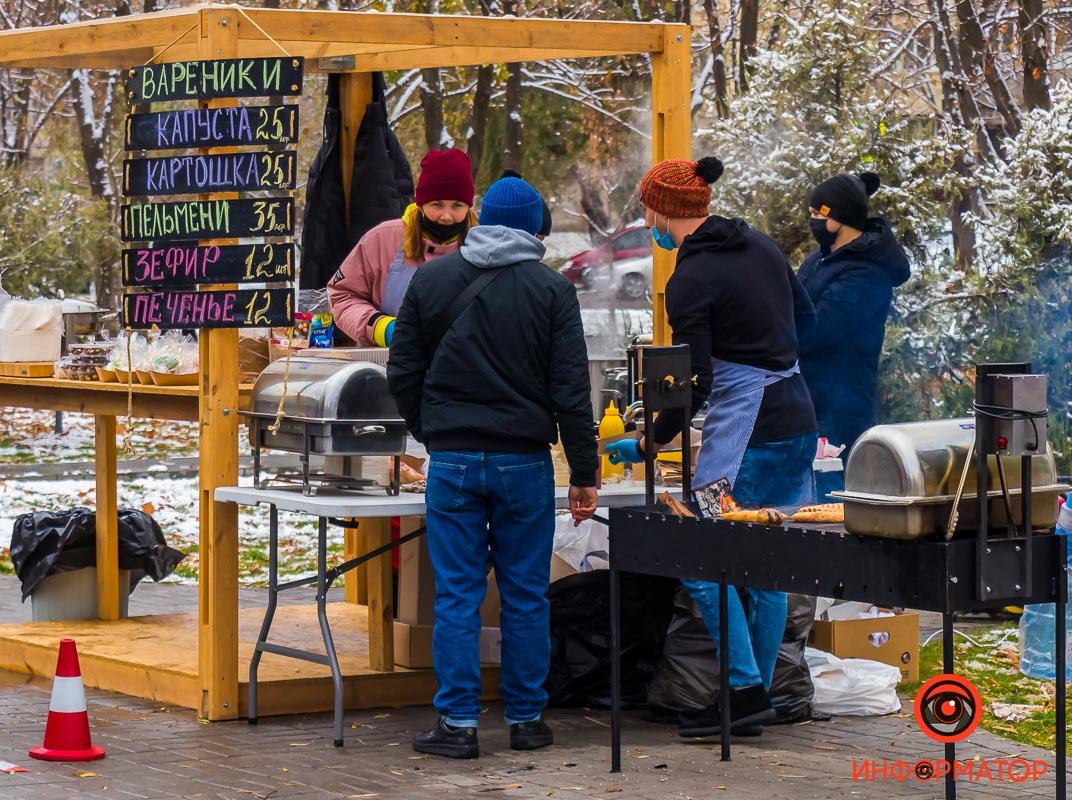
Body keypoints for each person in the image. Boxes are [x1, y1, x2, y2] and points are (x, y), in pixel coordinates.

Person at [605, 157, 817, 738]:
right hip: (797, 417)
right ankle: (758, 691)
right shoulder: (764, 246)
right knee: (767, 563)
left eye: (647, 207)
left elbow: (690, 381)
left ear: (659, 210)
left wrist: (650, 441)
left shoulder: (689, 280)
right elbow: (808, 317)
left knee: (702, 558)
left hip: (754, 434)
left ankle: (743, 692)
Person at [387, 176, 599, 759]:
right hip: (524, 464)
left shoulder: (431, 279)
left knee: (456, 596)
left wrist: (434, 433)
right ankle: (528, 720)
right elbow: (571, 393)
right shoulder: (552, 290)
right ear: (535, 228)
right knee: (526, 594)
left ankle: (457, 725)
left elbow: (401, 373)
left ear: (480, 220)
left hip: (452, 462)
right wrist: (585, 473)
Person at [797, 171, 911, 459]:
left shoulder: (867, 273)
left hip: (840, 410)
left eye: (817, 213)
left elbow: (818, 330)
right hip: (811, 400)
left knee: (831, 497)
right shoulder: (819, 259)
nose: (812, 220)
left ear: (840, 217)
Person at [328, 148, 477, 346]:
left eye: (457, 205)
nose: (447, 216)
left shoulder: (482, 247)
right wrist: (380, 328)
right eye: (437, 205)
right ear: (421, 203)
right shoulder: (383, 239)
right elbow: (342, 295)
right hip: (387, 364)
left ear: (469, 206)